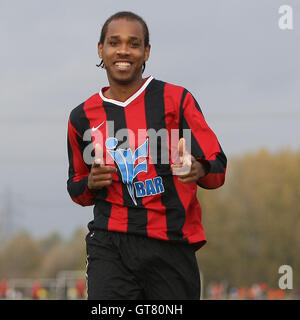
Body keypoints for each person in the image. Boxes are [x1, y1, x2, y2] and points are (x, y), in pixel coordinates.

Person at [67, 11, 227, 300]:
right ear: (101, 49)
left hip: (170, 245)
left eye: (134, 43)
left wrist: (198, 168)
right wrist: (91, 182)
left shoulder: (177, 100)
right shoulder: (81, 117)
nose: (123, 51)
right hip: (110, 244)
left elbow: (218, 170)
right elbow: (76, 189)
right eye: (114, 42)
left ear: (146, 52)